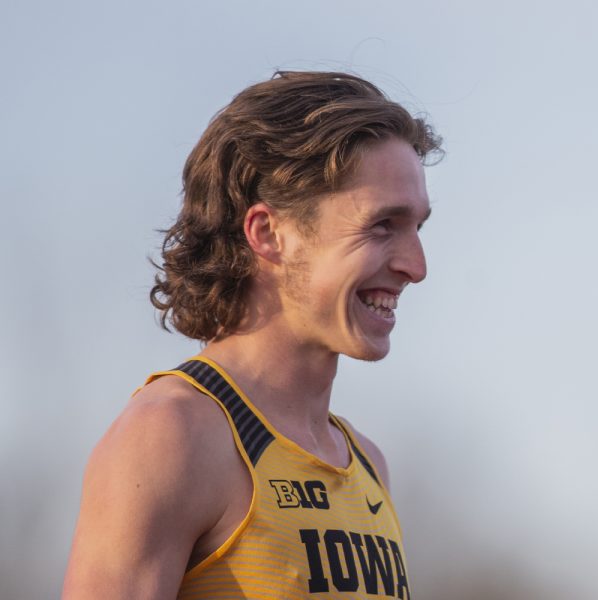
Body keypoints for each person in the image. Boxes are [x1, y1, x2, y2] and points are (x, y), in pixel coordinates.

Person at [62, 71, 441, 599]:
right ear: (268, 233)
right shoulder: (170, 436)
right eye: (382, 225)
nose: (416, 267)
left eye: (417, 227)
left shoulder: (369, 465)